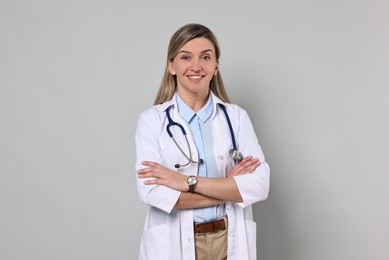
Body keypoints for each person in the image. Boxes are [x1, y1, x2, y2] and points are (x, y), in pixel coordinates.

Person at [135, 23, 270, 260]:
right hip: (174, 242)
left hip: (229, 239)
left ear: (216, 65)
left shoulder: (236, 117)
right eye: (186, 57)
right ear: (171, 66)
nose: (196, 66)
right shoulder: (151, 121)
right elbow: (152, 193)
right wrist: (229, 186)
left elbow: (259, 185)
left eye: (205, 57)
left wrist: (186, 182)